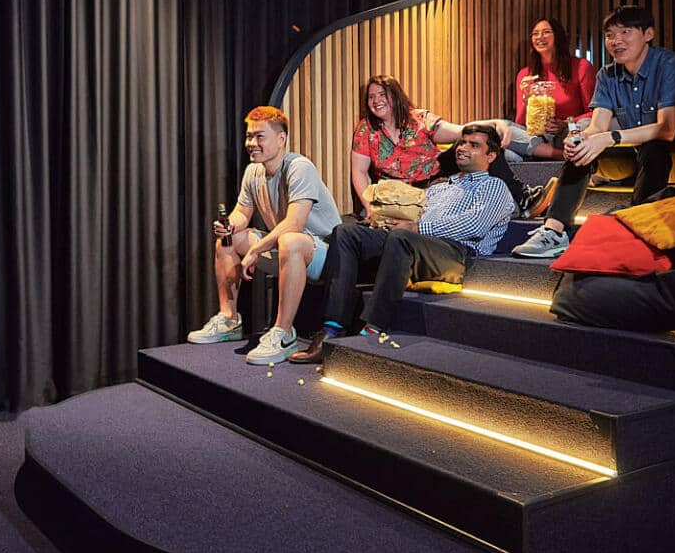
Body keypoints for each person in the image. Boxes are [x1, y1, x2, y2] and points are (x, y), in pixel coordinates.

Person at [291, 125, 516, 362]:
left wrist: (417, 228)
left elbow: (474, 225)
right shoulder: (439, 187)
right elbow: (411, 217)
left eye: (474, 145)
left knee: (402, 238)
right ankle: (331, 328)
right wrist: (386, 222)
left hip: (456, 254)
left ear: (491, 155)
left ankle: (373, 328)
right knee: (347, 233)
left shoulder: (494, 187)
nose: (462, 148)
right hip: (415, 244)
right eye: (462, 143)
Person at [512, 5, 675, 260]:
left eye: (625, 32)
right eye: (610, 35)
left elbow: (666, 130)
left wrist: (610, 137)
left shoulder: (671, 65)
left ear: (648, 34)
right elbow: (597, 125)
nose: (616, 40)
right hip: (631, 155)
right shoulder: (607, 75)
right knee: (582, 146)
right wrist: (579, 140)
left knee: (654, 148)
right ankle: (554, 230)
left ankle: (636, 231)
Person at [187, 105, 344, 367]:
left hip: (327, 255)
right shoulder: (253, 171)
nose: (252, 143)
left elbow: (294, 223)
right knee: (227, 241)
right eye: (249, 136)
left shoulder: (299, 167)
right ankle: (229, 320)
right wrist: (229, 225)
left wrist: (256, 250)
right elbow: (241, 213)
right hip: (286, 247)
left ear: (281, 139)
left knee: (290, 239)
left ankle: (283, 333)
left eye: (260, 136)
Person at [349, 74, 517, 213]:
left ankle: (520, 197)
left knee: (483, 140)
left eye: (382, 94)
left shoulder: (419, 118)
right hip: (401, 192)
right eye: (371, 97)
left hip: (436, 176)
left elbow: (461, 131)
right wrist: (369, 208)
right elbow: (359, 172)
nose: (376, 100)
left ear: (395, 96)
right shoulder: (366, 129)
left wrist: (495, 123)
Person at [509, 18, 597, 160]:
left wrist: (565, 123)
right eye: (535, 34)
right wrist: (526, 99)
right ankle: (558, 155)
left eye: (546, 32)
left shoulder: (581, 67)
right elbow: (520, 123)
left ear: (558, 36)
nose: (540, 37)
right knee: (503, 129)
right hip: (536, 137)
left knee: (584, 126)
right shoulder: (525, 74)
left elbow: (594, 112)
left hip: (567, 134)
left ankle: (554, 154)